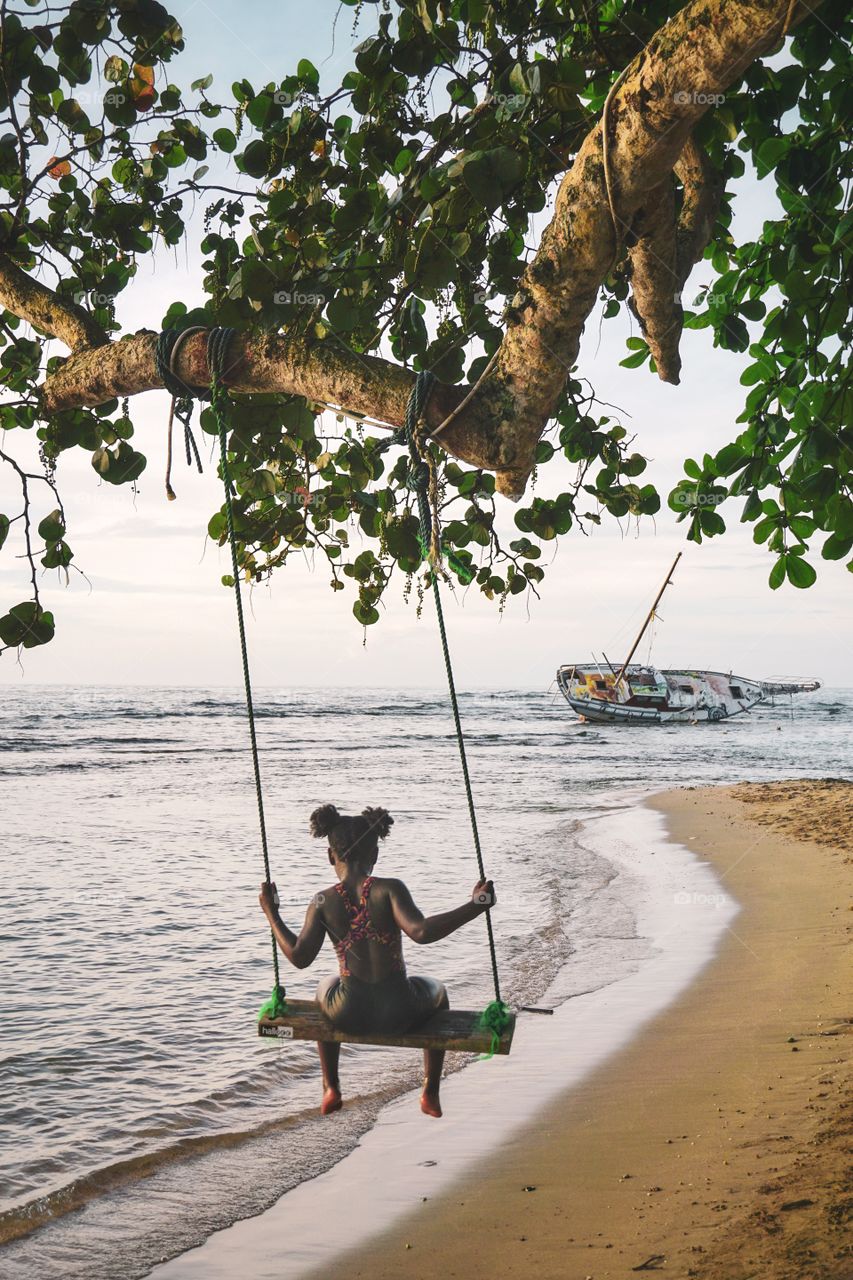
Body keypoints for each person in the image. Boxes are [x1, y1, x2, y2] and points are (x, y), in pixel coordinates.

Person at [259, 803, 496, 1119]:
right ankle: (430, 1092)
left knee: (324, 986)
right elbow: (421, 932)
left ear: (332, 857)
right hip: (401, 1011)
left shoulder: (322, 900)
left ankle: (331, 1086)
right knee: (437, 990)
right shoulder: (389, 889)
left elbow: (300, 957)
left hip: (347, 1013)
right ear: (374, 856)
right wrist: (476, 905)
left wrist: (271, 913)